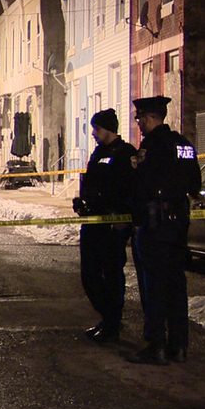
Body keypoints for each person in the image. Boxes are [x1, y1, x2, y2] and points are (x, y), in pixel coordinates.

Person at [128, 96, 202, 365]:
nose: (139, 124)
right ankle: (179, 346)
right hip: (178, 222)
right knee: (176, 284)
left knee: (155, 285)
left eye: (139, 119)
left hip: (155, 223)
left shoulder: (151, 146)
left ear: (149, 117)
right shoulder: (183, 144)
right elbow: (195, 183)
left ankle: (156, 344)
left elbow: (140, 185)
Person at [73, 109, 136, 343]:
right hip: (93, 222)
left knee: (111, 274)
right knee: (89, 274)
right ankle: (106, 316)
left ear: (108, 129)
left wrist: (122, 218)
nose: (93, 133)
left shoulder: (125, 153)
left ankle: (112, 321)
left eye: (97, 128)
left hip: (111, 226)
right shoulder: (99, 152)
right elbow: (92, 183)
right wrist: (83, 203)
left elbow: (129, 189)